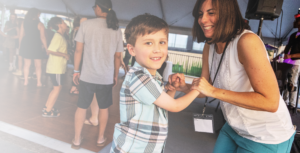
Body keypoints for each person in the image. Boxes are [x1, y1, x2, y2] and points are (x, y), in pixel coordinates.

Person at [167, 0, 295, 152]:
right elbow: (204, 90)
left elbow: (271, 102)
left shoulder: (247, 41)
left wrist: (213, 91)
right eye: (200, 14)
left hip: (266, 135)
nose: (203, 20)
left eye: (211, 13)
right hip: (234, 126)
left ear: (228, 13)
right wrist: (186, 87)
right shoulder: (209, 46)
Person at [110, 14, 203, 153]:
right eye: (148, 43)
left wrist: (172, 88)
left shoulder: (153, 76)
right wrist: (197, 88)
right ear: (131, 50)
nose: (157, 49)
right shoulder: (139, 77)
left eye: (162, 42)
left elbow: (164, 104)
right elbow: (174, 106)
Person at [71, 0, 123, 149]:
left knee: (81, 107)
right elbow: (118, 56)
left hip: (87, 76)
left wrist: (76, 71)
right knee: (104, 108)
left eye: (95, 7)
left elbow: (78, 50)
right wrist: (114, 74)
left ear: (99, 8)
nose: (94, 10)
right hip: (106, 77)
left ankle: (76, 140)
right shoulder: (116, 29)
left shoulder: (86, 25)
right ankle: (100, 138)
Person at [42, 17, 68, 117]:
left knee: (56, 87)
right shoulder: (58, 36)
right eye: (63, 22)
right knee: (57, 88)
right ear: (59, 25)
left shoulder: (60, 36)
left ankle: (47, 107)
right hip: (56, 67)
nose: (65, 24)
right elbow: (49, 50)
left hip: (57, 67)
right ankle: (48, 111)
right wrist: (64, 55)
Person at [19, 8, 48, 86]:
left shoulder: (23, 22)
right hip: (36, 44)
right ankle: (39, 82)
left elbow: (21, 35)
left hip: (26, 44)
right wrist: (46, 47)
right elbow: (43, 37)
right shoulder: (40, 24)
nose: (39, 15)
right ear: (36, 14)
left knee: (26, 64)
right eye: (39, 14)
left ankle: (26, 81)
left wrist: (19, 46)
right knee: (38, 65)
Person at [282, 15, 300, 110]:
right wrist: (281, 55)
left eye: (296, 21)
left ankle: (292, 105)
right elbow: (288, 47)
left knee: (292, 83)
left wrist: (291, 56)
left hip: (296, 63)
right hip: (287, 62)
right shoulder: (293, 35)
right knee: (285, 82)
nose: (294, 23)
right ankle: (285, 101)